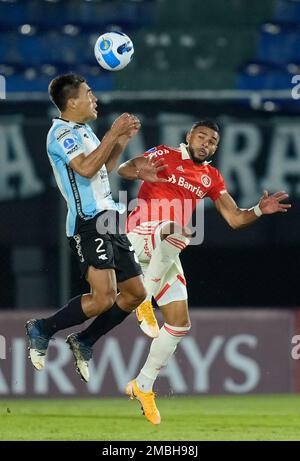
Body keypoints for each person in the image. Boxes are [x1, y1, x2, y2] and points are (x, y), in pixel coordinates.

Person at [117, 119, 291, 425]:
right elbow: (125, 168)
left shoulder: (211, 177)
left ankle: (142, 385)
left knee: (179, 324)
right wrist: (139, 170)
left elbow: (235, 219)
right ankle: (144, 299)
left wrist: (260, 210)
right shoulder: (164, 154)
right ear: (189, 137)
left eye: (212, 141)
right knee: (179, 231)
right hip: (140, 235)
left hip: (166, 250)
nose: (206, 143)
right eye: (201, 137)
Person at [25, 73, 156, 383]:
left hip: (110, 217)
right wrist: (112, 132)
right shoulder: (60, 133)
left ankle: (84, 341)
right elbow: (84, 167)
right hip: (89, 221)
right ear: (72, 102)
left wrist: (122, 139)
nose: (94, 98)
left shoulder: (83, 131)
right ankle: (42, 328)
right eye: (89, 93)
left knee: (136, 294)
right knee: (103, 298)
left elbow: (102, 167)